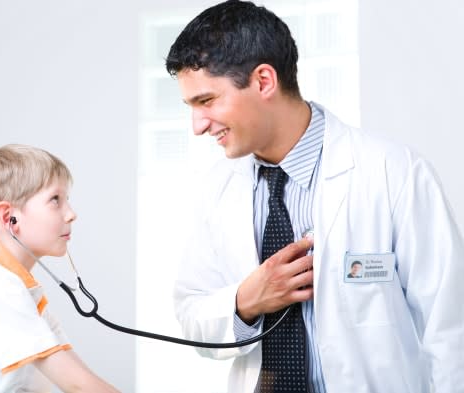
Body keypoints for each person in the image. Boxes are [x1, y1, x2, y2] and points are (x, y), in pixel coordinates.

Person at [165, 1, 464, 392]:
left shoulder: (394, 173)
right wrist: (245, 301)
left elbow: (451, 331)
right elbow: (192, 312)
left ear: (264, 81)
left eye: (206, 101)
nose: (198, 125)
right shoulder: (217, 188)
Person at [0, 144, 119, 393]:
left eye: (67, 200)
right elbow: (78, 386)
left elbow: (80, 376)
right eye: (55, 200)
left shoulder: (20, 291)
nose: (71, 214)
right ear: (9, 218)